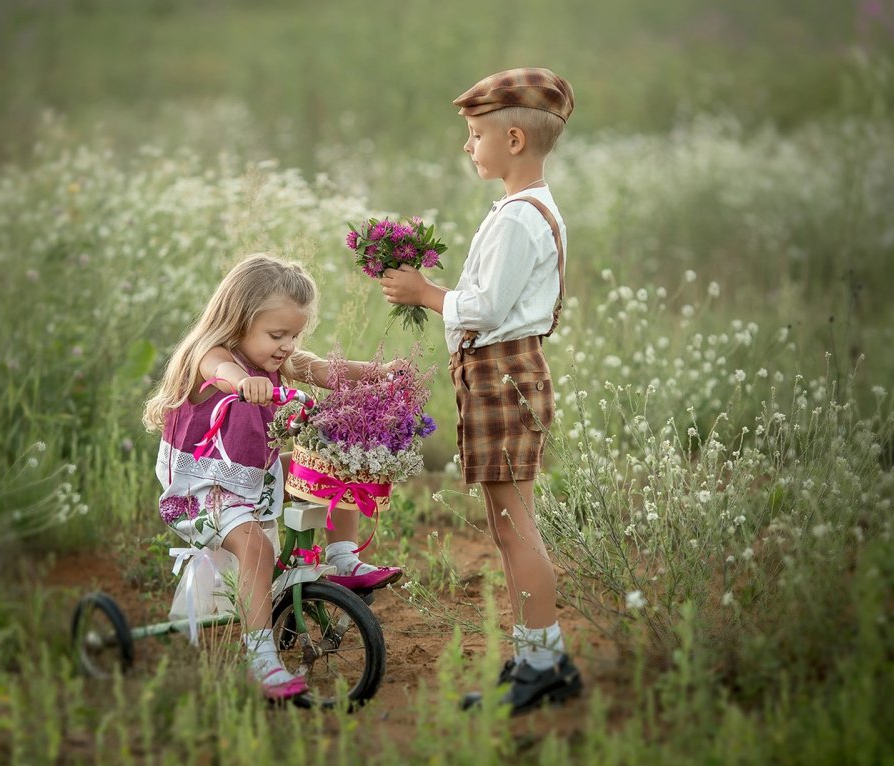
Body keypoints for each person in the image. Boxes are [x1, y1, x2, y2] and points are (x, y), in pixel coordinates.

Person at [381, 67, 582, 714]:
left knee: (515, 525)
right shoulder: (521, 211)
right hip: (498, 374)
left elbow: (489, 308)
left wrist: (425, 293)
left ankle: (543, 666)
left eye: (475, 134)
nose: (469, 146)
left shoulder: (521, 218)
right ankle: (538, 655)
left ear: (514, 139)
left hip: (502, 375)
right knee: (508, 522)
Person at [144, 253, 402, 701]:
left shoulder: (276, 357)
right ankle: (260, 657)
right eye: (276, 334)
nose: (286, 345)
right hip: (202, 489)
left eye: (294, 335)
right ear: (238, 319)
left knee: (332, 463)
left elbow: (324, 371)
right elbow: (218, 371)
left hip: (250, 477)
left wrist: (376, 375)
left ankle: (341, 557)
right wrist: (241, 383)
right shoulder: (214, 354)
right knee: (257, 548)